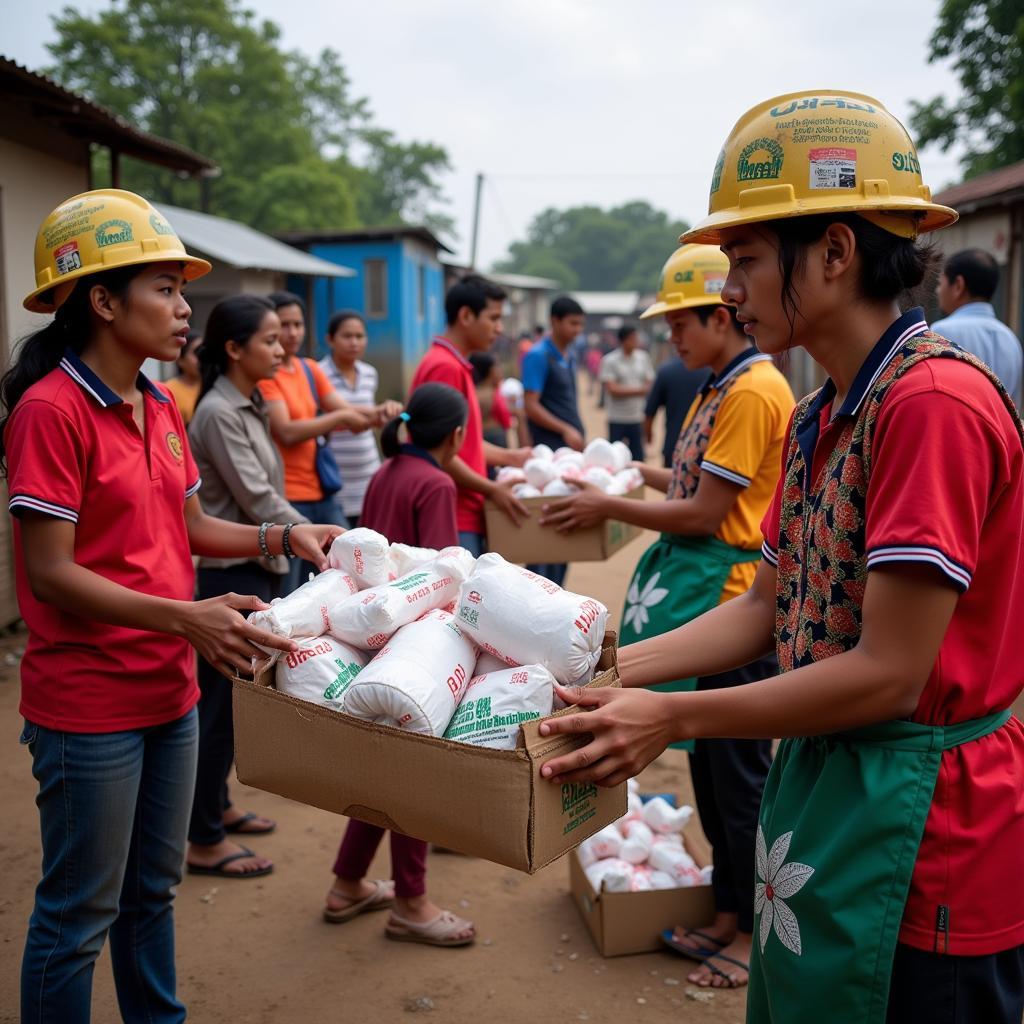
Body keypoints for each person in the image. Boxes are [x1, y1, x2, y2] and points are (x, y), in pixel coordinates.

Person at [539, 92, 1024, 1024]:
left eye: (747, 261)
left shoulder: (931, 407)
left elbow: (887, 675)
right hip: (838, 786)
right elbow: (768, 607)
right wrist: (606, 671)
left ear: (836, 253)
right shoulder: (819, 414)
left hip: (927, 826)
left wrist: (669, 717)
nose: (727, 291)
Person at [4, 189, 340, 1023]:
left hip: (169, 690)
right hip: (89, 704)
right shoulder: (50, 411)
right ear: (103, 300)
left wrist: (278, 539)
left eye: (182, 291)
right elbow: (49, 573)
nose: (185, 307)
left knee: (152, 891)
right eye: (165, 288)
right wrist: (185, 617)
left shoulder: (160, 404)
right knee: (79, 913)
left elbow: (189, 527)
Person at [541, 243, 794, 987]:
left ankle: (748, 933)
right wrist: (613, 471)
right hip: (706, 591)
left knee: (739, 777)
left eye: (683, 322)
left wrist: (607, 502)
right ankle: (725, 910)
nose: (671, 338)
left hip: (732, 600)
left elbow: (709, 511)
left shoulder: (753, 391)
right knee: (714, 779)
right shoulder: (721, 385)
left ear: (722, 315)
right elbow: (688, 478)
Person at [324, 382, 475, 946]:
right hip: (417, 650)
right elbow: (448, 574)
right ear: (456, 436)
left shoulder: (388, 470)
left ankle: (348, 884)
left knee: (381, 766)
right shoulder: (435, 482)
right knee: (416, 772)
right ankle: (411, 902)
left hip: (374, 636)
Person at [185, 295, 315, 880]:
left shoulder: (252, 403)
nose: (282, 347)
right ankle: (202, 836)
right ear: (234, 349)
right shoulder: (217, 412)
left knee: (238, 705)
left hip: (263, 561)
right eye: (268, 339)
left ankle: (218, 806)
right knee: (218, 710)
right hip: (231, 575)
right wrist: (312, 535)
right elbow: (258, 499)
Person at [258, 292, 375, 590]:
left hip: (321, 489)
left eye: (298, 324)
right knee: (294, 587)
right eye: (285, 325)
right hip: (289, 494)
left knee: (350, 565)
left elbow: (343, 408)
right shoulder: (266, 376)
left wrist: (379, 412)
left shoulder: (308, 369)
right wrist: (340, 420)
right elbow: (286, 430)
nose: (293, 332)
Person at [410, 274, 530, 557]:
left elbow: (465, 443)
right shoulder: (445, 368)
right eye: (493, 318)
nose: (499, 329)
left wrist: (513, 457)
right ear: (466, 315)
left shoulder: (455, 364)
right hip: (454, 512)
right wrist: (491, 489)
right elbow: (439, 451)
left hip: (465, 510)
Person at [522, 295, 587, 586]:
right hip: (548, 454)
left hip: (569, 452)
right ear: (555, 322)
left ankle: (559, 590)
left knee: (565, 528)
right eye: (572, 323)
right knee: (543, 529)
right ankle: (538, 591)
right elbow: (531, 405)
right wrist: (565, 429)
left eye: (580, 324)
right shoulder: (538, 355)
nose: (577, 330)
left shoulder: (569, 355)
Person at [318, 309, 402, 528]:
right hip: (334, 478)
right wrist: (375, 412)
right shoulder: (318, 374)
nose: (354, 342)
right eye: (347, 336)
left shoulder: (369, 373)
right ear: (330, 339)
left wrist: (383, 415)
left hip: (368, 473)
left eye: (359, 336)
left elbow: (368, 419)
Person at [932, 248, 1022, 404]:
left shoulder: (941, 331)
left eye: (940, 283)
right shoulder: (1010, 338)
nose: (937, 291)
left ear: (958, 285)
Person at [599, 324, 655, 460]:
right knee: (614, 459)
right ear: (623, 340)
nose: (636, 341)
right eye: (632, 338)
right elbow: (612, 389)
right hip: (617, 417)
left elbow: (650, 383)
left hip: (637, 417)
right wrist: (640, 390)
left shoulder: (643, 358)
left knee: (638, 458)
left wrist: (624, 390)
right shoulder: (610, 360)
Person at [469, 350, 512, 450]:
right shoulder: (494, 394)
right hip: (495, 439)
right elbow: (505, 419)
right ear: (491, 371)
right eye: (497, 366)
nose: (501, 369)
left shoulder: (473, 392)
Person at [163, 328, 202, 425]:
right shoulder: (168, 391)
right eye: (197, 353)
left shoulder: (212, 385)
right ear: (180, 360)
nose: (202, 358)